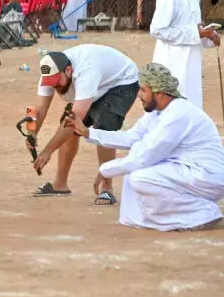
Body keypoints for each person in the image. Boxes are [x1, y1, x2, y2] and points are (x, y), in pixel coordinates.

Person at [65, 63, 224, 231]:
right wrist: (87, 133)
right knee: (133, 173)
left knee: (140, 177)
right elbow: (131, 138)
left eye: (143, 90)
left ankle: (203, 213)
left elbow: (145, 157)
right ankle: (150, 218)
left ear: (160, 94)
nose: (139, 95)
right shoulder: (158, 112)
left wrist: (106, 170)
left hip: (205, 176)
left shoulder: (178, 114)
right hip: (185, 171)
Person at [30, 45, 140, 205]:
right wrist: (31, 133)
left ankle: (106, 188)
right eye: (50, 83)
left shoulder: (87, 70)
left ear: (68, 70)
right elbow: (39, 109)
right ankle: (60, 185)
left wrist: (47, 151)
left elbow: (74, 119)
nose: (54, 86)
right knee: (68, 127)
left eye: (56, 82)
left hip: (120, 82)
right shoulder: (48, 73)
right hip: (95, 84)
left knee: (104, 125)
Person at [150, 0, 220, 108]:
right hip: (172, 61)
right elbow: (157, 30)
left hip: (192, 60)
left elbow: (195, 28)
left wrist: (210, 36)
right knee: (173, 103)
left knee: (191, 102)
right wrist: (196, 32)